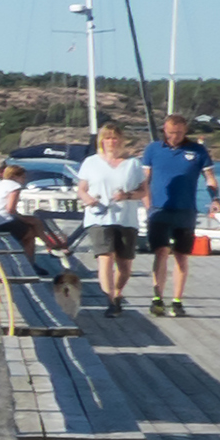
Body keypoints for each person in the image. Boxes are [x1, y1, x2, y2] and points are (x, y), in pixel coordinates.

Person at [145, 113, 216, 317]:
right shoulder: (153, 150)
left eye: (178, 133)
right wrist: (147, 204)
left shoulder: (197, 151)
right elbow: (145, 180)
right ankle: (157, 297)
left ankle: (177, 300)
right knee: (160, 252)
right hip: (159, 209)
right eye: (170, 133)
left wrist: (215, 198)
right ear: (164, 131)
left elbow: (209, 177)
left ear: (185, 131)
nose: (174, 136)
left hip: (185, 211)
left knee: (181, 255)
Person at [78, 122, 150, 311]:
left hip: (126, 218)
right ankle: (109, 299)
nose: (111, 142)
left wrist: (126, 196)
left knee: (124, 265)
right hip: (99, 217)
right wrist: (87, 198)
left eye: (114, 138)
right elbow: (82, 189)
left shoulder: (132, 164)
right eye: (107, 138)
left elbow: (143, 191)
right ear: (101, 141)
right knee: (105, 257)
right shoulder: (91, 162)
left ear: (121, 140)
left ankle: (118, 292)